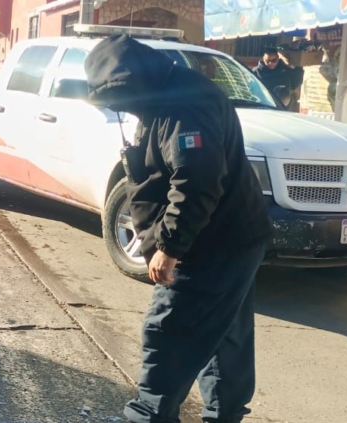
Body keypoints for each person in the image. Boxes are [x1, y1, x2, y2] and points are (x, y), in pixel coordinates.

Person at [83, 34, 274, 423]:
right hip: (233, 235)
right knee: (223, 336)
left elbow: (196, 181)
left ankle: (149, 416)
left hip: (212, 242)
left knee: (168, 331)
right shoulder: (165, 94)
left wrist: (170, 247)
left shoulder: (184, 105)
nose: (123, 109)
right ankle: (224, 414)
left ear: (133, 83)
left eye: (120, 99)